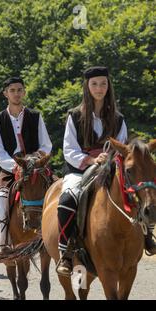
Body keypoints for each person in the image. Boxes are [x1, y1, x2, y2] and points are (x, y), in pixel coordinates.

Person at [54, 66, 154, 276]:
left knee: (138, 194)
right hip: (81, 170)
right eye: (94, 84)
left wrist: (109, 160)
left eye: (103, 84)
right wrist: (90, 159)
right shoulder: (74, 116)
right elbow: (69, 149)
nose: (99, 88)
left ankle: (146, 237)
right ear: (87, 87)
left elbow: (125, 149)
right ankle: (66, 251)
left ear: (108, 87)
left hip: (110, 169)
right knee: (67, 200)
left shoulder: (118, 118)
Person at [0, 77, 52, 249]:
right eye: (12, 90)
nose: (16, 94)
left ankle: (60, 239)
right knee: (1, 197)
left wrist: (36, 160)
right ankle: (4, 240)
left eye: (19, 90)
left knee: (58, 190)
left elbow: (46, 145)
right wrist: (14, 166)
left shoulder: (35, 116)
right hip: (10, 168)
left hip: (37, 168)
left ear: (24, 92)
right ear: (5, 93)